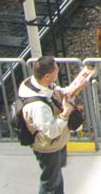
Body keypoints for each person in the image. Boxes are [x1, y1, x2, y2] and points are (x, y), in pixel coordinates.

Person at [18, 56, 75, 194]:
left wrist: (72, 89)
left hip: (55, 144)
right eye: (56, 70)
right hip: (48, 147)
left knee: (56, 176)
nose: (58, 71)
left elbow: (54, 91)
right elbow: (51, 131)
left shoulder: (38, 84)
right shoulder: (38, 107)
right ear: (47, 76)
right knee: (49, 182)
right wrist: (65, 114)